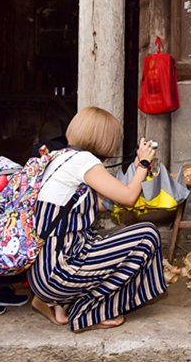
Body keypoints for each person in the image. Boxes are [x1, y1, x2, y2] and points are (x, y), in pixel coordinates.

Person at [28, 106, 168, 332]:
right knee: (147, 235)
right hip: (59, 271)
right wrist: (143, 164)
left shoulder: (61, 157)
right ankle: (91, 312)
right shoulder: (84, 161)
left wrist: (136, 172)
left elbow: (103, 204)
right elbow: (129, 198)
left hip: (43, 271)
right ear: (105, 139)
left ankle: (53, 303)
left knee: (98, 239)